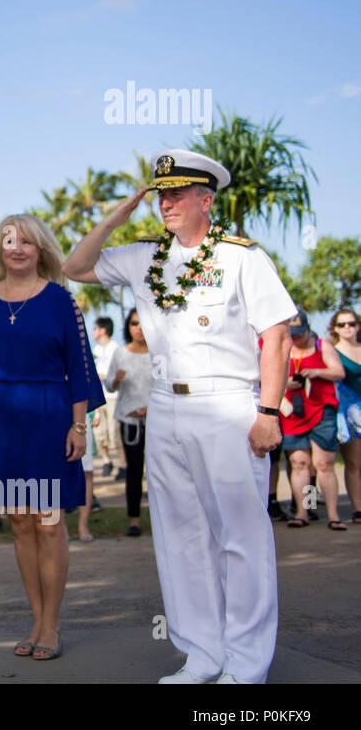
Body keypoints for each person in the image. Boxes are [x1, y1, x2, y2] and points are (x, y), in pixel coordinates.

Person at [64, 148, 294, 684]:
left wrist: (268, 411)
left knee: (241, 538)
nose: (164, 203)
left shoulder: (242, 257)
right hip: (166, 407)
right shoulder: (145, 257)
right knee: (180, 538)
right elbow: (76, 267)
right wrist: (114, 218)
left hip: (230, 404)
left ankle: (247, 665)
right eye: (160, 194)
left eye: (175, 194)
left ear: (205, 199)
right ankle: (203, 656)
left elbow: (277, 336)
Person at [0, 214, 103, 662]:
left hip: (49, 417)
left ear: (41, 249)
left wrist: (78, 427)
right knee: (19, 522)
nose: (16, 248)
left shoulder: (61, 300)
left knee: (48, 521)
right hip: (0, 420)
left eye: (26, 242)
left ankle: (52, 625)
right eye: (8, 241)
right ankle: (35, 619)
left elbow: (79, 368)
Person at [278, 309, 346, 530]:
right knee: (299, 463)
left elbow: (339, 372)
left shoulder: (321, 346)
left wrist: (317, 372)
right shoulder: (284, 348)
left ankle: (334, 515)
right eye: (292, 334)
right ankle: (303, 511)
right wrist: (285, 382)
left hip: (320, 409)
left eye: (299, 334)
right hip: (292, 412)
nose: (296, 338)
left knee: (324, 464)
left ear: (308, 330)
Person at [108, 309, 151, 536]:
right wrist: (116, 379)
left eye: (143, 323)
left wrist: (150, 408)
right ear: (128, 326)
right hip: (129, 420)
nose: (139, 327)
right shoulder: (120, 353)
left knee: (158, 472)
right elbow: (109, 386)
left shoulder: (157, 353)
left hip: (156, 420)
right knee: (134, 470)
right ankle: (134, 519)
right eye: (134, 323)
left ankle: (163, 518)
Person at [328, 309, 361, 523]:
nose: (346, 328)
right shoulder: (331, 351)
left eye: (350, 323)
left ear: (358, 325)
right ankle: (358, 509)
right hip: (347, 414)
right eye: (341, 325)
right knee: (353, 462)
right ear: (335, 328)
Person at [91, 317, 124, 478]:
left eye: (95, 328)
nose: (94, 332)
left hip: (113, 396)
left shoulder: (115, 348)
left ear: (103, 330)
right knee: (99, 432)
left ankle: (123, 465)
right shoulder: (96, 350)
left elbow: (120, 373)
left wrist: (102, 376)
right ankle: (106, 461)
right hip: (99, 397)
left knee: (115, 431)